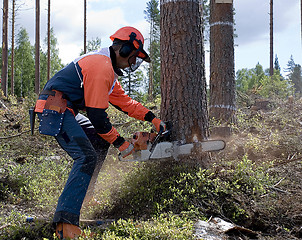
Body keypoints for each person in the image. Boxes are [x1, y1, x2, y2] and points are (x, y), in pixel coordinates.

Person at [34, 26, 165, 239]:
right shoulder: (101, 66)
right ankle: (65, 224)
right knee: (85, 156)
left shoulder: (108, 72)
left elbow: (126, 103)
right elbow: (97, 117)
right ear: (122, 50)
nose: (132, 63)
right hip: (55, 108)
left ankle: (84, 197)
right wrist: (121, 143)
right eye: (132, 58)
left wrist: (153, 118)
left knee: (99, 143)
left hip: (68, 109)